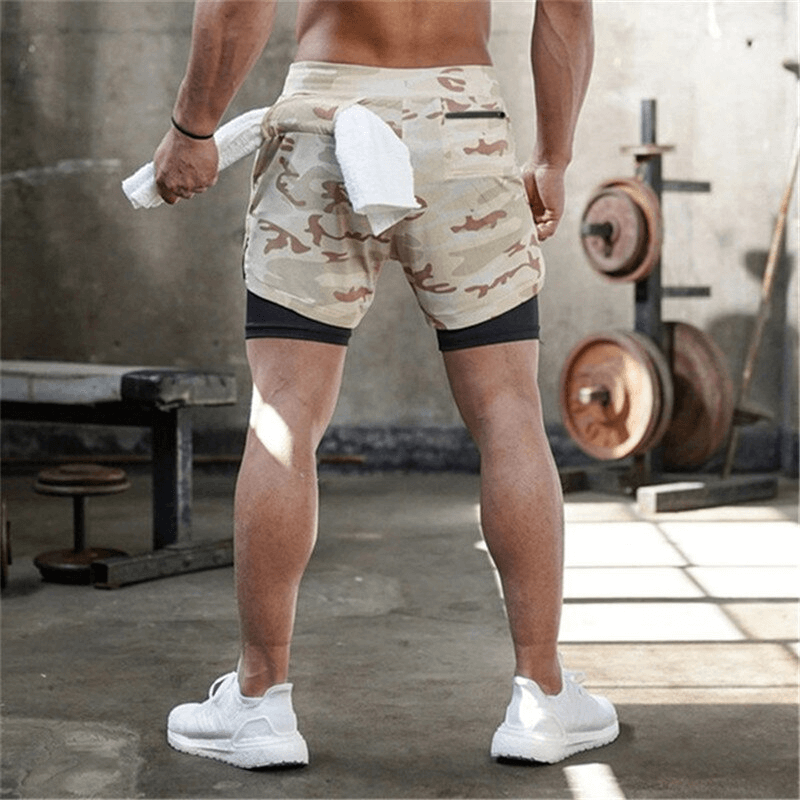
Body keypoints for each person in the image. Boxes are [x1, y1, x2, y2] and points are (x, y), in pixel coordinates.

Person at [155, 0, 618, 770]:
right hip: (462, 119)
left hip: (325, 111)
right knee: (508, 411)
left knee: (285, 413)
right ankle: (541, 697)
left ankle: (260, 703)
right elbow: (566, 7)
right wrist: (554, 157)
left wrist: (193, 128)